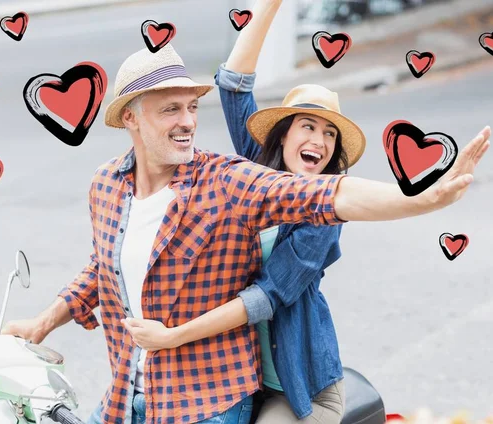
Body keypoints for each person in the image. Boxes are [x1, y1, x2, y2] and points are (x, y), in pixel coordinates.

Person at [1, 35, 491, 424]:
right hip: (127, 396)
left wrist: (422, 197)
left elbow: (331, 198)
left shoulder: (232, 181)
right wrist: (44, 320)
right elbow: (103, 267)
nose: (188, 121)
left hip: (223, 397)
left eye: (192, 107)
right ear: (130, 117)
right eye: (171, 109)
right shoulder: (106, 186)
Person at [121, 0, 358, 422]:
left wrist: (173, 337)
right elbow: (233, 84)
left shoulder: (324, 216)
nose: (319, 142)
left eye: (329, 135)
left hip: (299, 388)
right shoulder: (258, 171)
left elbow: (267, 297)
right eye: (308, 126)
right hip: (238, 380)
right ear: (284, 136)